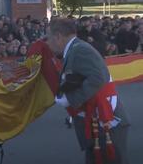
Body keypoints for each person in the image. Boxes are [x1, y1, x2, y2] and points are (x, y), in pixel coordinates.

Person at [47, 18, 130, 164]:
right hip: (97, 119)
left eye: (49, 38)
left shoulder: (80, 50)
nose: (48, 43)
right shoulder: (76, 48)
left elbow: (98, 78)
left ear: (58, 36)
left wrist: (70, 98)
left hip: (106, 121)